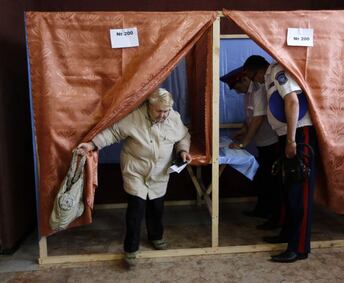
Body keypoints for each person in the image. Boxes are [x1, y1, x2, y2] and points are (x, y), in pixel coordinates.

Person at [76, 88, 192, 268]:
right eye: (159, 111)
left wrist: (183, 150)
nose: (163, 115)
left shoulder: (173, 117)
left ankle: (156, 236)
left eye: (166, 111)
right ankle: (131, 248)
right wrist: (91, 145)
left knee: (157, 207)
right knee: (136, 209)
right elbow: (113, 133)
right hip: (135, 170)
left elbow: (183, 136)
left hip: (159, 173)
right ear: (149, 106)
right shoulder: (134, 117)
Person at [242, 55, 317, 263]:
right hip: (286, 134)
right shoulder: (268, 78)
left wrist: (292, 141)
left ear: (258, 70)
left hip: (299, 133)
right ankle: (287, 235)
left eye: (250, 75)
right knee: (288, 189)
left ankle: (299, 247)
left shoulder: (278, 71)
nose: (250, 80)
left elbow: (293, 102)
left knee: (299, 192)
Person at [220, 67, 282, 230]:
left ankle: (273, 217)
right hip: (262, 143)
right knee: (263, 180)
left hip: (271, 143)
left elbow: (258, 119)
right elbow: (249, 119)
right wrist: (241, 131)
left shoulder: (258, 91)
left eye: (238, 87)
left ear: (245, 80)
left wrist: (243, 143)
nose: (237, 92)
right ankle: (261, 210)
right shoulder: (247, 95)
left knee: (272, 183)